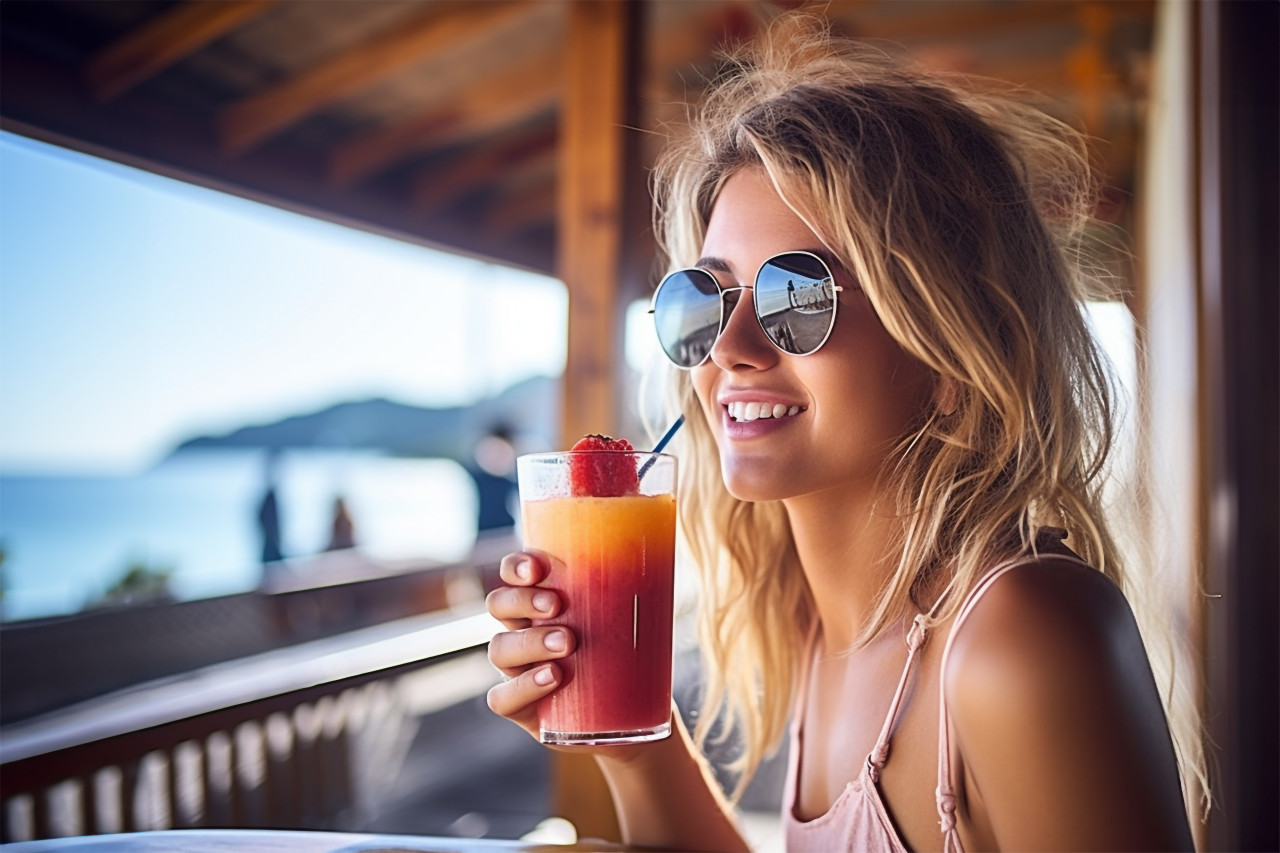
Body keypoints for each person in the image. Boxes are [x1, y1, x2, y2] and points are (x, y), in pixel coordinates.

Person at [485, 14, 1205, 852]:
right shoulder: (816, 621)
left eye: (800, 296)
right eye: (706, 297)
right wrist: (632, 740)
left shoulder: (1025, 636)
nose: (729, 346)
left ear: (945, 350)